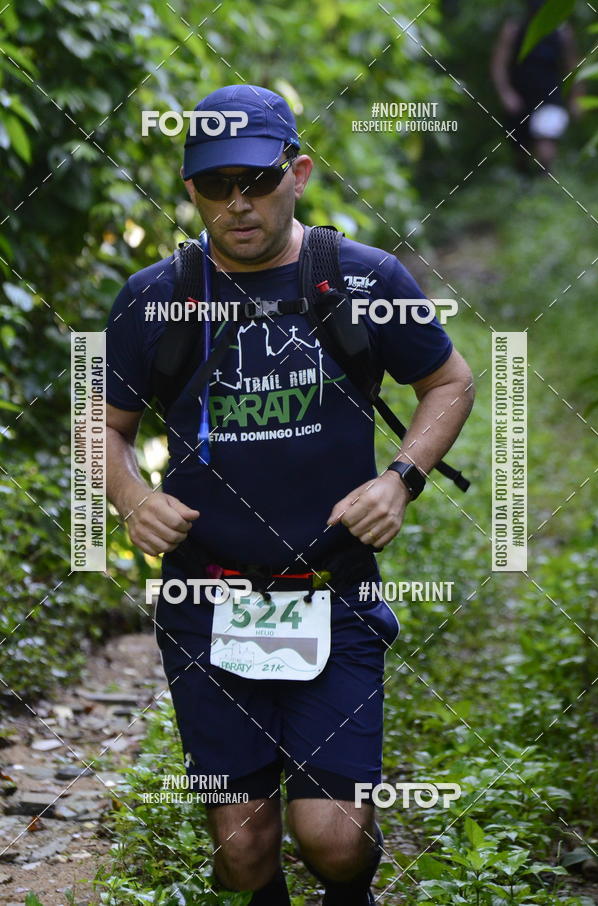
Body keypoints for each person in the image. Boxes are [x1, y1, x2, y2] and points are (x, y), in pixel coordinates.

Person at [105, 84, 474, 905]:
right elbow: (101, 425)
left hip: (332, 590)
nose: (238, 204)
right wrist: (130, 495)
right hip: (208, 593)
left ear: (297, 172)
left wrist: (400, 479)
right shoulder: (153, 298)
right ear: (191, 188)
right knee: (243, 853)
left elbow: (448, 381)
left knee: (334, 840)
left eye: (259, 181)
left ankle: (352, 894)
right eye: (214, 185)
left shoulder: (361, 278)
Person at [491, 0, 582, 171]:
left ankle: (545, 178)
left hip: (550, 94)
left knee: (546, 139)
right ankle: (524, 179)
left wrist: (576, 97)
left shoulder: (562, 31)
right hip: (520, 94)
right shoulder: (514, 29)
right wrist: (506, 93)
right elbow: (499, 64)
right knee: (519, 146)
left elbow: (573, 66)